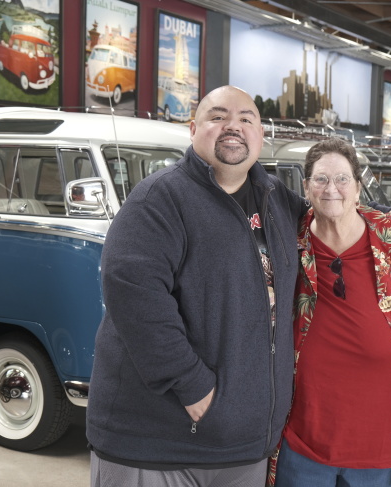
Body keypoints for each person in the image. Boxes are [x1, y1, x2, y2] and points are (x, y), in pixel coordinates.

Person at [86, 85, 305, 486]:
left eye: (245, 119)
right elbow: (134, 296)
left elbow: (335, 216)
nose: (232, 127)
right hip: (156, 446)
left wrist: (388, 222)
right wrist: (196, 392)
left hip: (243, 448)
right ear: (193, 129)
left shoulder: (278, 201)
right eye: (217, 117)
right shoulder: (159, 199)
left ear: (261, 135)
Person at [270, 138, 391, 487]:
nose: (331, 188)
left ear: (357, 186)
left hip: (381, 446)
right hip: (304, 441)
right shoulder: (290, 240)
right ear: (306, 187)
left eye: (342, 179)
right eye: (320, 179)